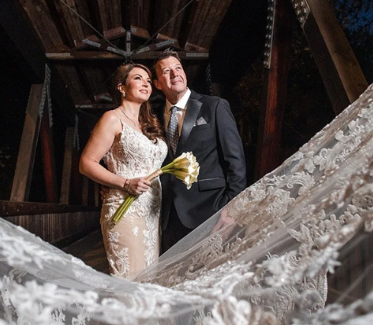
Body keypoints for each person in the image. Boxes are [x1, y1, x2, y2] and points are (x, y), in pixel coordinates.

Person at [152, 51, 247, 253]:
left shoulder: (214, 106)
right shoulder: (153, 118)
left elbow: (235, 161)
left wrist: (231, 208)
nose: (175, 74)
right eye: (166, 71)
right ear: (158, 84)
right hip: (170, 220)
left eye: (178, 68)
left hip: (212, 212)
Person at [78, 63, 167, 278]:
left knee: (148, 279)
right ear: (122, 87)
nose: (146, 83)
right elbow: (86, 163)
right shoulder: (112, 118)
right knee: (130, 280)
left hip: (152, 213)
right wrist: (125, 183)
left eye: (148, 80)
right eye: (138, 78)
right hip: (125, 210)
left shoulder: (149, 124)